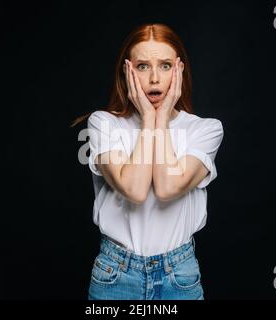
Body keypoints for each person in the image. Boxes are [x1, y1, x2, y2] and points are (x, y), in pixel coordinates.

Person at [75, 23, 224, 300]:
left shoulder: (206, 129)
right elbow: (135, 189)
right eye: (143, 66)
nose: (155, 78)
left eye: (165, 66)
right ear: (127, 71)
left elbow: (168, 187)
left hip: (179, 275)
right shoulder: (103, 123)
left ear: (179, 71)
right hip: (116, 273)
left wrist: (163, 115)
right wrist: (149, 118)